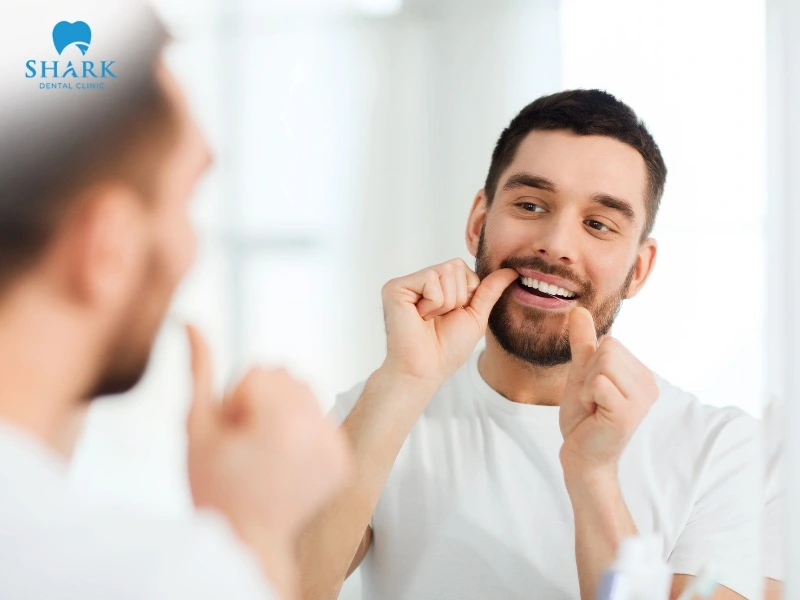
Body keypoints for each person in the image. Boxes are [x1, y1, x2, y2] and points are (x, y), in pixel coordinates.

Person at [298, 90, 770, 600]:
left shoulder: (723, 450)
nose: (557, 245)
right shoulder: (375, 413)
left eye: (598, 224)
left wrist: (595, 478)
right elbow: (287, 587)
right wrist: (405, 381)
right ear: (479, 221)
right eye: (529, 205)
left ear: (638, 269)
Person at [0, 2, 351, 599]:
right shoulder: (152, 579)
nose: (191, 249)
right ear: (107, 248)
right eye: (187, 197)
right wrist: (256, 541)